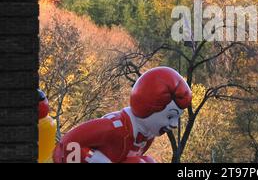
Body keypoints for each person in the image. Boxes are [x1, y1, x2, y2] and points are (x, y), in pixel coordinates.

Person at [53, 67, 192, 163]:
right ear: (149, 107)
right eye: (170, 117)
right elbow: (68, 143)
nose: (174, 124)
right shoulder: (113, 128)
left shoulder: (147, 136)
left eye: (176, 118)